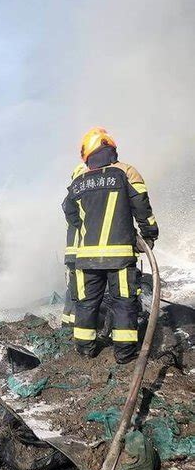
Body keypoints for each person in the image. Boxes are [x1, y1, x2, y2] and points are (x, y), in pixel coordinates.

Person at [63, 127, 158, 363]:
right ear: (110, 148)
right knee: (124, 302)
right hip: (120, 257)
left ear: (87, 154)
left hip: (87, 258)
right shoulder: (126, 172)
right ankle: (124, 354)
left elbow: (69, 211)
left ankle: (85, 349)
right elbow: (142, 207)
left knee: (86, 304)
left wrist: (87, 229)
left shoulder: (78, 182)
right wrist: (149, 234)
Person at [62, 164, 86, 327]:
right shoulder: (83, 197)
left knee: (72, 290)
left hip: (71, 254)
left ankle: (67, 325)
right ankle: (78, 328)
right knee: (82, 294)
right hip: (81, 253)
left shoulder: (70, 200)